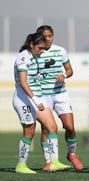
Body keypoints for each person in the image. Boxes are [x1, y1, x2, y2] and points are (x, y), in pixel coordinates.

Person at [12, 32, 70, 174]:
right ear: (32, 45)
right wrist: (36, 99)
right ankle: (21, 165)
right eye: (40, 48)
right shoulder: (23, 57)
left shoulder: (36, 56)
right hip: (24, 99)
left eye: (44, 48)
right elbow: (23, 82)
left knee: (52, 127)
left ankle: (54, 162)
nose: (42, 51)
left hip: (38, 98)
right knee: (30, 130)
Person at [35, 25, 83, 170]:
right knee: (46, 129)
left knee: (69, 126)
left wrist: (64, 75)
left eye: (50, 36)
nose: (48, 39)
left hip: (60, 94)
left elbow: (69, 70)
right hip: (43, 95)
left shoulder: (60, 51)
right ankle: (49, 161)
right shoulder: (35, 53)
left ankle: (72, 154)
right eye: (45, 36)